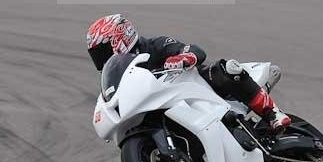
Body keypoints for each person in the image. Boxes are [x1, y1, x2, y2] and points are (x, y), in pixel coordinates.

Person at [86, 13, 291, 131]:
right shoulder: (121, 73)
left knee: (226, 69)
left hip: (198, 87)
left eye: (102, 52)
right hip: (166, 106)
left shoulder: (155, 45)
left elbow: (194, 50)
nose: (101, 60)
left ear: (120, 38)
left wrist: (185, 57)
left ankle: (272, 114)